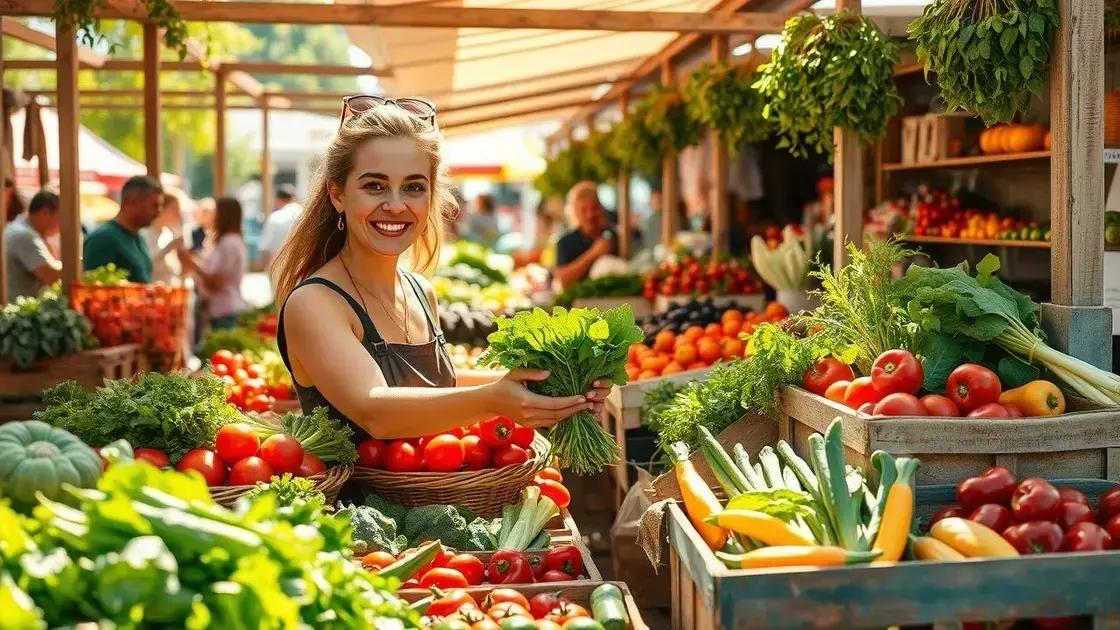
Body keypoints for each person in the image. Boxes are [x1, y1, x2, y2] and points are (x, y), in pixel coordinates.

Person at [271, 96, 610, 440]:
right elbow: (375, 410)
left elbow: (437, 385)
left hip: (451, 494)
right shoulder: (314, 303)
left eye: (414, 187)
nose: (395, 205)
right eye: (375, 186)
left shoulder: (420, 292)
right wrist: (493, 399)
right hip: (353, 496)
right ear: (337, 194)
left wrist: (545, 381)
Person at [177, 197, 247, 330]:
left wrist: (191, 263)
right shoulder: (230, 241)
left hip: (224, 309)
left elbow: (216, 282)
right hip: (223, 308)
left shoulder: (228, 243)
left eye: (215, 211)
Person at [83, 175, 162, 283]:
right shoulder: (103, 239)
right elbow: (95, 289)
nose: (159, 211)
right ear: (133, 202)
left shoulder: (139, 239)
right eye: (154, 205)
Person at [552, 181, 616, 289]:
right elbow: (562, 279)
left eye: (594, 208)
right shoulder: (565, 242)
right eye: (583, 210)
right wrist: (594, 254)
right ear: (575, 212)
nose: (590, 215)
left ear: (601, 208)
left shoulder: (613, 236)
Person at [3, 190, 61, 300]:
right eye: (61, 217)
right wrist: (79, 264)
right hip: (17, 313)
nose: (62, 224)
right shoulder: (25, 236)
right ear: (45, 212)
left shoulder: (17, 227)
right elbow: (50, 276)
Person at [145, 191, 185, 285]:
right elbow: (147, 264)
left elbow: (174, 268)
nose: (178, 215)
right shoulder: (146, 233)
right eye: (174, 209)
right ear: (162, 208)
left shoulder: (169, 233)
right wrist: (169, 247)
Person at [258, 183, 302, 270]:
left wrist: (264, 268)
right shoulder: (306, 215)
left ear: (278, 200)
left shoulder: (275, 217)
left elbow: (266, 246)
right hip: (304, 268)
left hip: (280, 268)